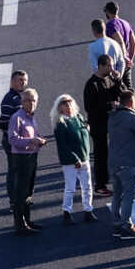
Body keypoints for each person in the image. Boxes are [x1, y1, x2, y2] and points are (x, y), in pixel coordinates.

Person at [104, 86, 135, 239]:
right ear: (131, 102)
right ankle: (126, 225)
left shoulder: (112, 117)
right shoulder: (132, 117)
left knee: (117, 193)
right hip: (128, 161)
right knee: (129, 194)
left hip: (113, 162)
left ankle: (116, 224)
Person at [3, 90, 46, 235]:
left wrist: (40, 139)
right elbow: (12, 139)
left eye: (34, 101)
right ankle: (20, 225)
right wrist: (31, 141)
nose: (32, 104)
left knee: (29, 191)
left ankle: (27, 220)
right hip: (21, 158)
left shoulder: (31, 118)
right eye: (29, 100)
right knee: (20, 192)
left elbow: (35, 135)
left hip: (32, 156)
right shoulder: (17, 117)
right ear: (22, 102)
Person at [52, 95, 93, 225]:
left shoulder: (78, 118)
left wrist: (87, 128)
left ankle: (88, 211)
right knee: (70, 188)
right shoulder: (60, 124)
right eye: (64, 104)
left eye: (70, 103)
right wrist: (75, 159)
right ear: (60, 108)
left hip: (84, 158)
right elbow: (63, 146)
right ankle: (67, 212)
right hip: (71, 162)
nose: (68, 106)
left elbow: (85, 130)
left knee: (87, 187)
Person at [81, 57, 120, 192]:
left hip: (113, 123)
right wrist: (109, 105)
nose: (111, 69)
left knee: (115, 152)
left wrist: (118, 80)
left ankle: (113, 178)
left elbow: (124, 94)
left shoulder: (110, 80)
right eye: (109, 66)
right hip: (98, 125)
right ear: (100, 66)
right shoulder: (92, 84)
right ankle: (100, 184)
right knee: (101, 154)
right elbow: (89, 107)